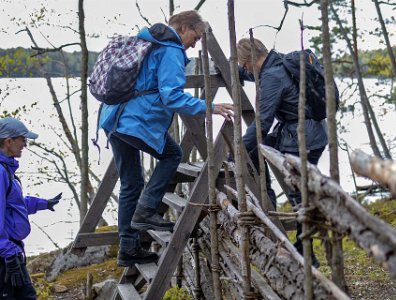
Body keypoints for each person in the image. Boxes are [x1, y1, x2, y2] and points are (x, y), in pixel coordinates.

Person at [100, 10, 234, 267]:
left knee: (131, 183)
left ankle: (128, 248)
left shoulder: (148, 41)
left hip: (114, 118)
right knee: (172, 155)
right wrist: (210, 106)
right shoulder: (171, 50)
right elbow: (171, 96)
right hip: (135, 122)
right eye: (195, 36)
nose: (196, 43)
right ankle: (146, 211)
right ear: (183, 28)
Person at [237, 38, 327, 268]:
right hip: (313, 133)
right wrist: (238, 72)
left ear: (250, 59)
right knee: (300, 192)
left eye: (244, 65)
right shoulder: (278, 63)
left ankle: (306, 255)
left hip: (301, 139)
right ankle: (298, 244)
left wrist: (237, 150)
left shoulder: (272, 76)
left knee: (299, 196)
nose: (246, 70)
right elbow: (254, 74)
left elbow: (262, 123)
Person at [0, 117, 61, 300]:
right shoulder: (0, 172)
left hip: (11, 251)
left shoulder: (7, 171)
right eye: (23, 139)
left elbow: (14, 204)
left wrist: (44, 203)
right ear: (9, 141)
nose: (25, 144)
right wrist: (8, 253)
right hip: (5, 254)